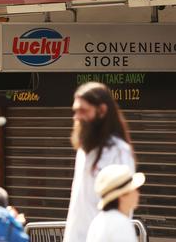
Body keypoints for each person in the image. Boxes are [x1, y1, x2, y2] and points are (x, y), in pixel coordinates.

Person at [64, 82, 135, 242]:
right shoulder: (83, 150)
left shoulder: (118, 151)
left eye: (83, 111)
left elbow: (124, 203)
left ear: (102, 110)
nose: (77, 117)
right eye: (75, 111)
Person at [86, 164, 145, 242]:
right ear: (122, 196)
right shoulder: (120, 224)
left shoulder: (97, 222)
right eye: (134, 189)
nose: (138, 193)